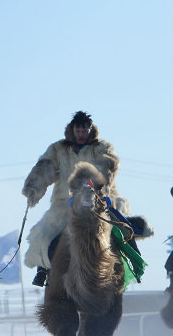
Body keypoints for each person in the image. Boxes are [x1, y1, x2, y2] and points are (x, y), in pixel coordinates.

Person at [21, 111, 127, 287]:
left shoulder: (102, 148)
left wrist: (98, 187)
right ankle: (44, 270)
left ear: (90, 129)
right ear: (72, 130)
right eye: (78, 131)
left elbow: (107, 167)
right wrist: (34, 188)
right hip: (64, 204)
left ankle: (128, 263)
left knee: (123, 230)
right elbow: (44, 168)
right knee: (43, 235)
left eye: (85, 130)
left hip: (99, 201)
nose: (81, 134)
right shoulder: (58, 149)